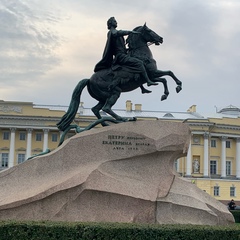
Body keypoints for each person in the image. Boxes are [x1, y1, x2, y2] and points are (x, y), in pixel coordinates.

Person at [94, 17, 158, 92]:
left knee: (134, 65)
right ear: (111, 23)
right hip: (121, 56)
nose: (116, 22)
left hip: (123, 54)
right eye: (114, 21)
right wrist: (130, 32)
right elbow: (117, 33)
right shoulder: (112, 32)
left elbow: (120, 46)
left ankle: (142, 88)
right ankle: (148, 81)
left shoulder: (115, 32)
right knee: (139, 63)